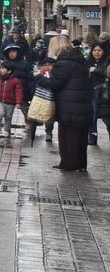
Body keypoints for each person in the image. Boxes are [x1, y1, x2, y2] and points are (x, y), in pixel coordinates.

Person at [49, 34, 93, 172]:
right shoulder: (78, 59)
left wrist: (40, 78)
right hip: (82, 104)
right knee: (80, 136)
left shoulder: (63, 62)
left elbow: (56, 83)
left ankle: (69, 163)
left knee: (68, 135)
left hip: (68, 106)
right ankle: (80, 164)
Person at [0, 59, 27, 141]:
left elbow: (18, 92)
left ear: (9, 71)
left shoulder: (15, 81)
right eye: (1, 68)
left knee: (8, 116)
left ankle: (6, 130)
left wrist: (18, 102)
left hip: (10, 102)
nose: (1, 70)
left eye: (3, 68)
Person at [89, 41, 110, 147]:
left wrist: (95, 69)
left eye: (99, 50)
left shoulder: (107, 61)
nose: (97, 52)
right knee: (92, 116)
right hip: (92, 93)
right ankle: (92, 137)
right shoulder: (89, 61)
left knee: (107, 117)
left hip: (105, 94)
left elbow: (107, 72)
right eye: (95, 50)